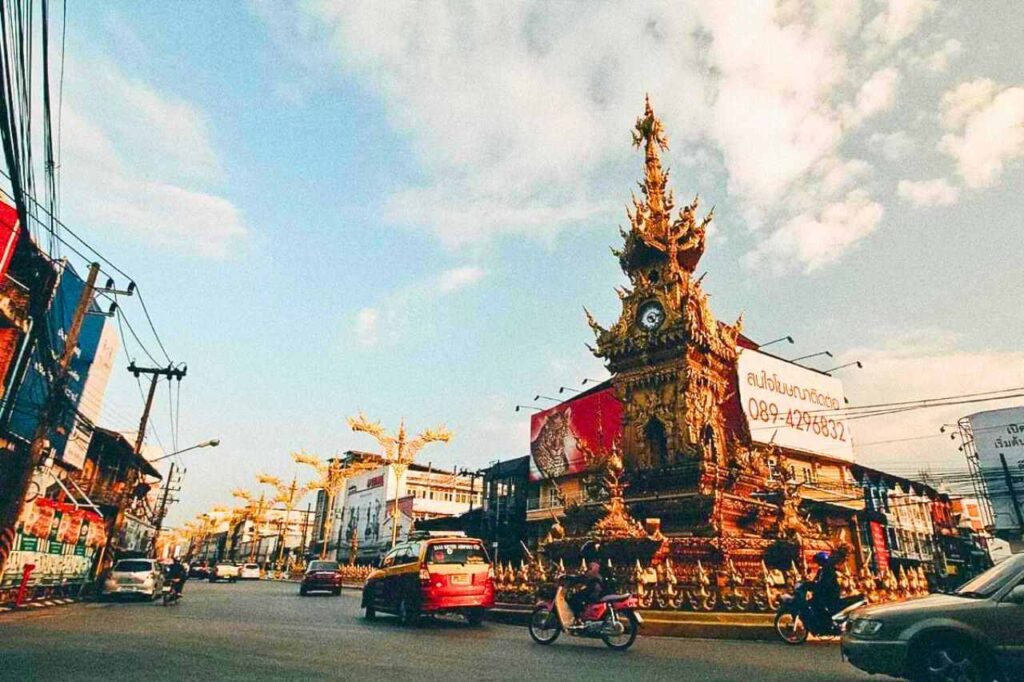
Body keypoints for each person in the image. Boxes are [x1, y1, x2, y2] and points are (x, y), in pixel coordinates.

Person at [567, 541, 606, 621]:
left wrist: (574, 579)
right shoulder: (598, 562)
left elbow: (589, 576)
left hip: (595, 589)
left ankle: (579, 619)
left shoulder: (594, 563)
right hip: (596, 587)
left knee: (574, 599)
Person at [808, 550, 842, 624]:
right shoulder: (822, 570)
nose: (818, 563)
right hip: (825, 591)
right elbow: (817, 580)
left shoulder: (829, 570)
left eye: (819, 561)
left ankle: (828, 622)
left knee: (820, 604)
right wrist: (809, 584)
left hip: (831, 593)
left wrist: (817, 587)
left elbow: (825, 583)